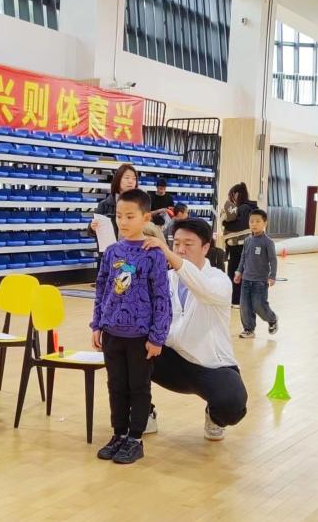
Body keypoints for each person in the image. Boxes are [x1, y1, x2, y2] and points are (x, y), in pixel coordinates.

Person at [142, 219, 248, 441]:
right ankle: (144, 412)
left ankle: (214, 416)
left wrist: (169, 256)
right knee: (124, 348)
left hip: (210, 366)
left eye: (188, 244)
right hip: (168, 360)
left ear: (206, 247)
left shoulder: (219, 280)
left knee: (232, 404)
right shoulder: (165, 278)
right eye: (176, 243)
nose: (180, 249)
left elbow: (201, 287)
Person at [90, 189, 172, 465]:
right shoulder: (112, 251)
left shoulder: (154, 254)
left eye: (130, 216)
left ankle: (135, 439)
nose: (123, 222)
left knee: (139, 387)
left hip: (140, 336)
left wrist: (157, 336)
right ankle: (119, 434)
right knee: (116, 385)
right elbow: (102, 288)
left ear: (145, 217)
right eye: (119, 216)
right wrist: (97, 324)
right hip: (112, 332)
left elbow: (162, 297)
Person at [234, 209, 278, 339]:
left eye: (258, 221)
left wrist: (272, 275)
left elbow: (273, 260)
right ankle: (249, 329)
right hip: (246, 279)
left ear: (265, 223)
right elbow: (243, 257)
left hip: (260, 281)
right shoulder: (247, 240)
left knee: (259, 305)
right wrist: (239, 271)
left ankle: (272, 319)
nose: (254, 224)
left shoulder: (268, 242)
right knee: (245, 307)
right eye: (251, 221)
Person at [221, 183, 258, 306]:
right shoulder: (243, 208)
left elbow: (240, 226)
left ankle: (237, 300)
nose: (231, 198)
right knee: (236, 271)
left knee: (236, 272)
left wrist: (225, 224)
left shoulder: (244, 208)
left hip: (240, 247)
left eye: (232, 195)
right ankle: (238, 299)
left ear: (237, 194)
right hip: (238, 247)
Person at [89, 163, 138, 237]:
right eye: (127, 178)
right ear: (118, 180)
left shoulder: (140, 205)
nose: (131, 181)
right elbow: (91, 231)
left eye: (134, 179)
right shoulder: (104, 205)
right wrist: (92, 228)